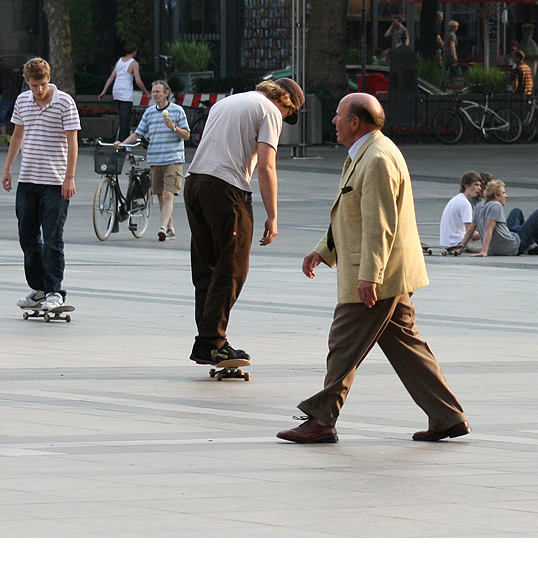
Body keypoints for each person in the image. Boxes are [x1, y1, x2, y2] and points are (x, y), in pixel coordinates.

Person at [277, 93, 469, 444]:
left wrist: (371, 276)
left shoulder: (378, 158)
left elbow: (380, 224)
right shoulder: (364, 154)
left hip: (377, 275)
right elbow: (349, 212)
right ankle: (447, 416)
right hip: (385, 273)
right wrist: (322, 251)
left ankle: (321, 418)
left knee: (344, 344)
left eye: (338, 116)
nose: (333, 122)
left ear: (355, 122)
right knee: (405, 346)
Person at [184, 78, 305, 366]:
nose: (285, 119)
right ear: (285, 103)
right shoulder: (270, 111)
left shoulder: (226, 101)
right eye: (289, 114)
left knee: (207, 268)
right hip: (226, 189)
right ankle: (213, 342)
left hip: (195, 184)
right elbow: (266, 165)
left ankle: (207, 342)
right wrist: (273, 215)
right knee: (232, 268)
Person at [2, 57, 80, 313]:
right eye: (34, 85)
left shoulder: (65, 102)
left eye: (43, 84)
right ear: (27, 81)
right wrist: (8, 168)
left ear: (49, 79)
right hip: (27, 179)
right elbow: (18, 134)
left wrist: (69, 177)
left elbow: (72, 141)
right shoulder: (23, 101)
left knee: (52, 239)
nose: (39, 90)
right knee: (27, 237)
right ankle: (38, 289)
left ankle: (55, 291)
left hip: (55, 183)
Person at [114, 80, 190, 241]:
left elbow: (187, 135)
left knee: (169, 194)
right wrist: (123, 143)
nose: (155, 94)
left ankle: (162, 228)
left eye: (158, 92)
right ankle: (170, 228)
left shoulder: (177, 111)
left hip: (173, 159)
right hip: (155, 159)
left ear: (166, 93)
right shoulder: (149, 113)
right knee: (161, 195)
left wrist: (174, 128)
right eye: (153, 92)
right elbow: (138, 134)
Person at [467, 180, 538, 257]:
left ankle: (531, 244)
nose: (506, 196)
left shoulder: (479, 206)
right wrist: (484, 251)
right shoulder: (496, 206)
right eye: (503, 193)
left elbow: (470, 230)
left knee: (516, 211)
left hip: (502, 243)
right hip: (513, 246)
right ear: (496, 195)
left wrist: (460, 247)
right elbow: (489, 229)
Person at [98, 43, 150, 142]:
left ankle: (121, 140)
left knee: (122, 118)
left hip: (117, 90)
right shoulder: (134, 63)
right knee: (126, 120)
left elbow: (112, 76)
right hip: (126, 92)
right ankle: (123, 142)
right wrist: (146, 93)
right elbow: (138, 81)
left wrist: (104, 91)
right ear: (134, 51)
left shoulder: (119, 61)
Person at [439, 171, 483, 253]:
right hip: (457, 242)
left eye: (480, 185)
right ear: (466, 185)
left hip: (447, 242)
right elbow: (470, 233)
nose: (479, 188)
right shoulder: (464, 203)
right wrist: (486, 233)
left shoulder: (457, 199)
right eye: (476, 185)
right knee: (493, 244)